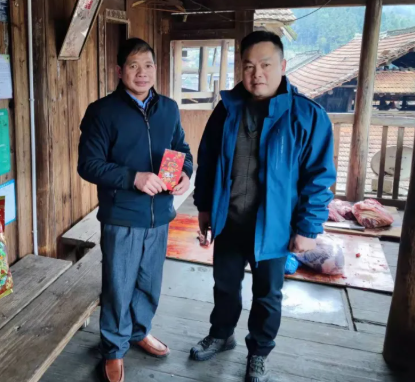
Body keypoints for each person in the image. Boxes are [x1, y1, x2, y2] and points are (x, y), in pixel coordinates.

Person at [190, 31, 336, 382]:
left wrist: (308, 228)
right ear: (241, 69)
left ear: (283, 66)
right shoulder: (227, 109)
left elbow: (319, 178)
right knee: (224, 285)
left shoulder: (307, 115)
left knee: (268, 294)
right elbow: (207, 161)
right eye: (249, 66)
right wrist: (205, 207)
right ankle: (221, 334)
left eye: (266, 65)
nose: (257, 74)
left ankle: (258, 352)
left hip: (274, 226)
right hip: (229, 220)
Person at [78, 38, 193, 382]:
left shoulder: (168, 108)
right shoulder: (102, 112)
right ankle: (113, 349)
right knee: (119, 286)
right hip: (123, 216)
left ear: (156, 69)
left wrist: (186, 172)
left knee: (149, 283)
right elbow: (89, 165)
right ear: (119, 71)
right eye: (133, 65)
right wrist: (134, 178)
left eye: (148, 65)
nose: (142, 73)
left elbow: (182, 149)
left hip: (160, 215)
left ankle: (139, 331)